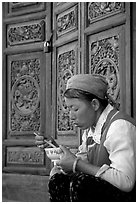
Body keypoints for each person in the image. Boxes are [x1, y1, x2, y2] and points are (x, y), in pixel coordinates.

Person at [35, 74, 136, 202]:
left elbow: (126, 182)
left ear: (94, 104)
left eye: (75, 109)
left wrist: (76, 164)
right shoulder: (91, 129)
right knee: (57, 177)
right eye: (68, 109)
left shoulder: (119, 126)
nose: (71, 116)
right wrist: (56, 149)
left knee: (81, 183)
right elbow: (84, 161)